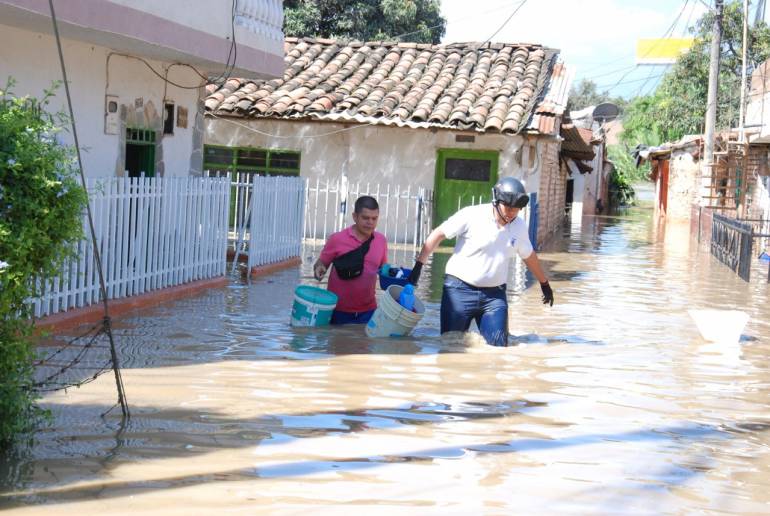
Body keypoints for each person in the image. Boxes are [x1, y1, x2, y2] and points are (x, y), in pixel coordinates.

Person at [407, 177, 554, 346]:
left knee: (499, 348)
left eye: (517, 209)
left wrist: (544, 284)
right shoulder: (471, 215)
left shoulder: (519, 226)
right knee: (450, 345)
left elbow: (529, 255)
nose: (512, 212)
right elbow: (438, 234)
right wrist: (418, 266)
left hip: (494, 296)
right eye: (508, 207)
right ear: (496, 201)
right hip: (458, 291)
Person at [313, 195, 388, 325]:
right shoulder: (337, 239)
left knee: (365, 345)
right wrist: (319, 269)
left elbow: (384, 270)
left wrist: (398, 278)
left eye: (374, 218)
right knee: (338, 344)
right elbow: (320, 264)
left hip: (369, 312)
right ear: (355, 217)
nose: (370, 222)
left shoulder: (381, 241)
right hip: (337, 311)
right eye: (365, 218)